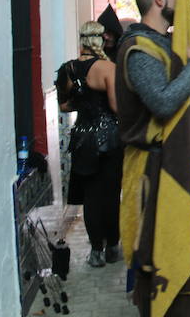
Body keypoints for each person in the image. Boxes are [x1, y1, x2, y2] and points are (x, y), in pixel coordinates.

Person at [116, 0, 190, 316]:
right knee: (157, 257)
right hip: (153, 169)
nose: (180, 0)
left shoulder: (164, 45)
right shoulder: (139, 50)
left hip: (175, 164)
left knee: (181, 250)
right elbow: (162, 104)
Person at [56, 21, 123, 268]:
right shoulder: (108, 68)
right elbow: (116, 107)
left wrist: (82, 104)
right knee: (111, 194)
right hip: (110, 139)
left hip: (83, 138)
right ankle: (113, 246)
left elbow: (64, 106)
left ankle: (96, 250)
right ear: (101, 40)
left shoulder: (67, 70)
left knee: (92, 197)